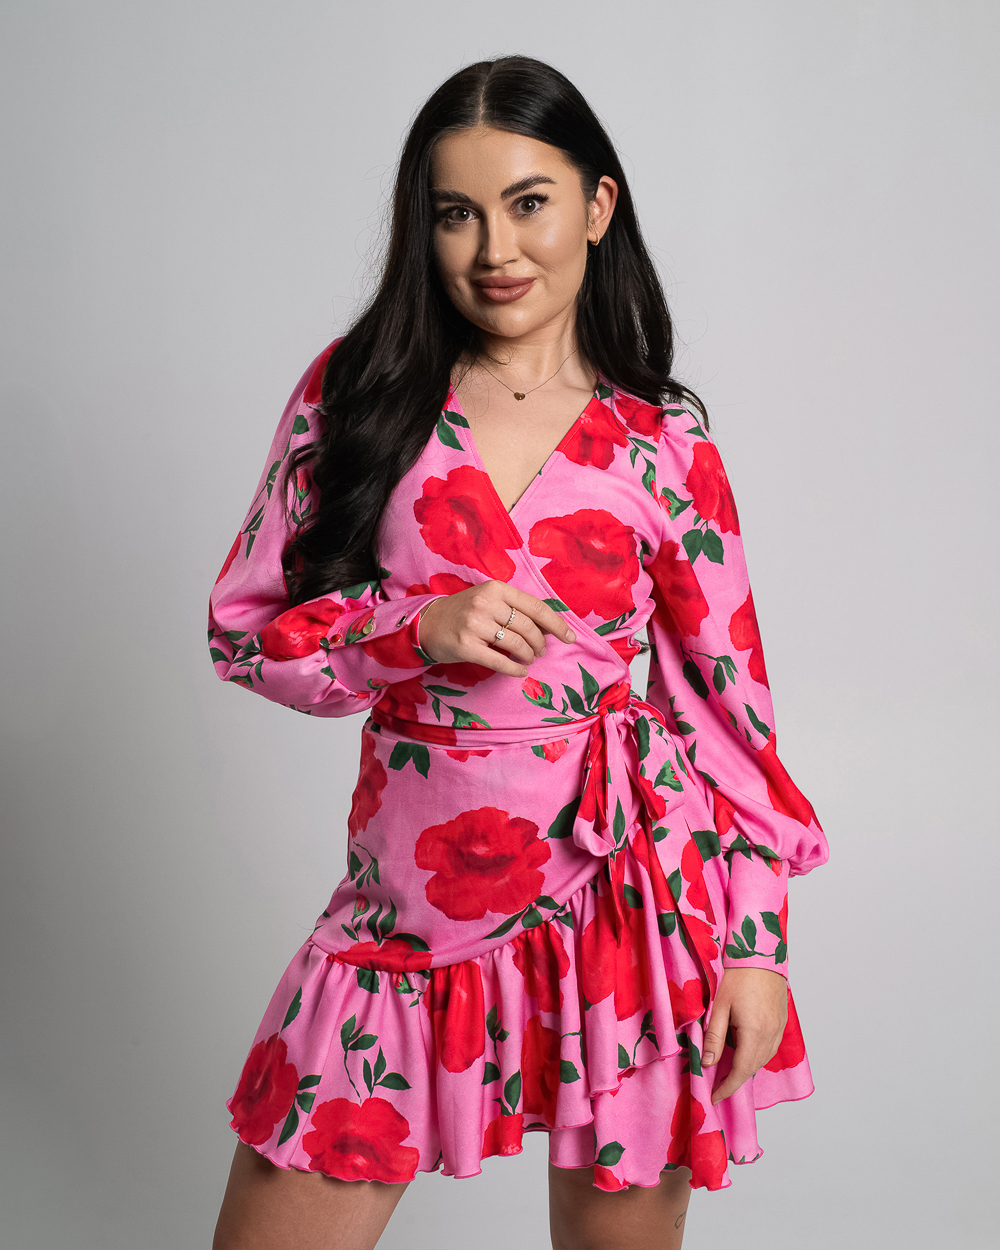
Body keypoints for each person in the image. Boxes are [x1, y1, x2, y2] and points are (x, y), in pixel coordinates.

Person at [208, 55, 828, 1250]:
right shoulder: (360, 395)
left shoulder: (663, 443)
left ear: (597, 206)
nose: (494, 247)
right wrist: (410, 632)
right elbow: (245, 632)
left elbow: (728, 722)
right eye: (457, 212)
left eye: (528, 202)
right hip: (406, 911)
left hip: (631, 906)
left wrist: (754, 946)